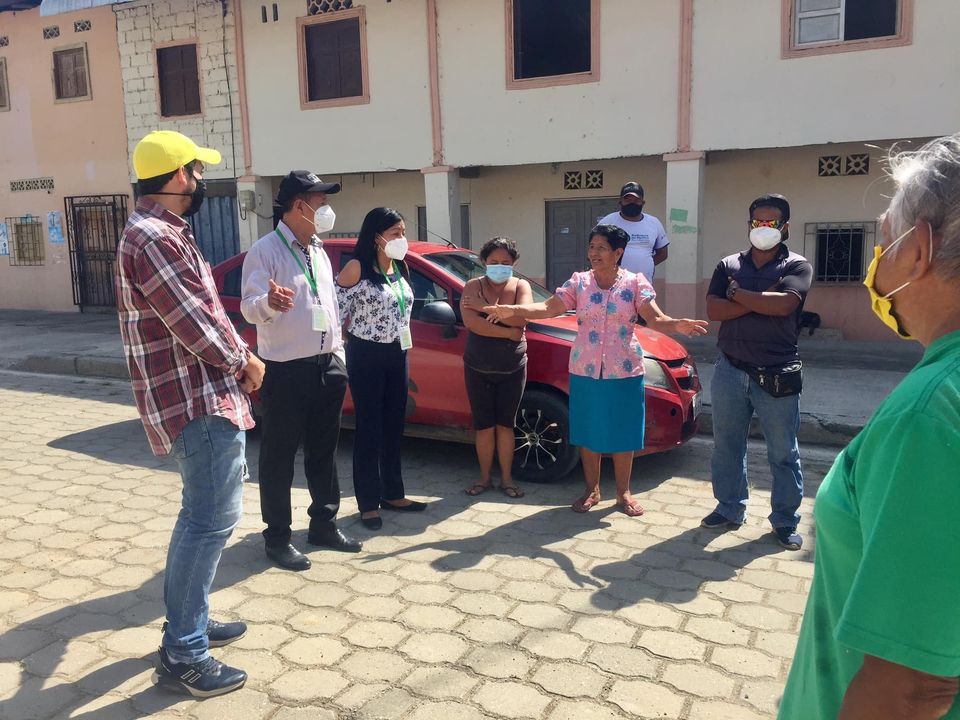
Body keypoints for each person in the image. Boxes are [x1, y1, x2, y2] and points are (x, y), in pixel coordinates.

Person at [779, 135, 960, 718]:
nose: (876, 263)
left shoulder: (929, 413)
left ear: (919, 250)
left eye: (884, 243)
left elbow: (914, 686)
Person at [116, 130, 265, 697]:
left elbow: (203, 311)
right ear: (179, 175)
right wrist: (244, 361)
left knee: (200, 518)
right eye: (198, 171)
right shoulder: (154, 237)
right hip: (195, 399)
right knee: (208, 522)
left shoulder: (163, 232)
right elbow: (193, 321)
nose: (201, 181)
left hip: (198, 395)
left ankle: (189, 624)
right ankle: (184, 654)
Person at [475, 225, 706, 514]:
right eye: (592, 246)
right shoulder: (579, 282)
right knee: (587, 431)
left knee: (623, 432)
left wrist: (676, 324)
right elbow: (548, 308)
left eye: (601, 248)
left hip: (625, 370)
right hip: (585, 368)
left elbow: (655, 319)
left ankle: (623, 493)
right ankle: (592, 490)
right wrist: (514, 311)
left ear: (618, 253)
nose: (594, 253)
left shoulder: (635, 283)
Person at [240, 171, 362, 572]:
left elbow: (328, 305)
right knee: (279, 456)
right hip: (286, 369)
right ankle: (277, 538)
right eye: (320, 202)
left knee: (323, 451)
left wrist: (338, 355)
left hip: (328, 366)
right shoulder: (265, 251)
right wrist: (269, 302)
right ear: (298, 206)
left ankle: (323, 524)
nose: (326, 209)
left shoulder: (319, 250)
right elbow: (249, 306)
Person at [700, 194, 812, 551]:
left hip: (777, 373)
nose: (763, 228)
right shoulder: (728, 264)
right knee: (727, 446)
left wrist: (738, 295)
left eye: (771, 222)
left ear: (785, 227)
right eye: (757, 221)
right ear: (749, 224)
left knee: (783, 452)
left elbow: (784, 305)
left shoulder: (797, 266)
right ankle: (729, 507)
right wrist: (759, 299)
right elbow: (714, 310)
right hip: (730, 369)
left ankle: (785, 520)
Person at [336, 208, 428, 530]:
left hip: (398, 352)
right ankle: (368, 502)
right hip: (367, 354)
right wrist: (345, 342)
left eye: (403, 232)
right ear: (376, 236)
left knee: (393, 426)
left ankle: (393, 493)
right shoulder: (357, 268)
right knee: (370, 428)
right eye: (395, 233)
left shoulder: (399, 267)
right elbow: (335, 312)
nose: (402, 238)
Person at [460, 237, 532, 499]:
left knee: (505, 425)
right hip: (477, 367)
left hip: (512, 367)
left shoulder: (521, 285)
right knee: (484, 426)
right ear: (484, 262)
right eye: (494, 262)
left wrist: (485, 308)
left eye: (505, 262)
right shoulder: (472, 286)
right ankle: (484, 478)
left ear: (514, 264)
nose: (499, 266)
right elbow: (472, 323)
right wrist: (508, 331)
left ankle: (507, 480)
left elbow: (523, 318)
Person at [597, 182, 669, 281]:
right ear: (620, 202)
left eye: (636, 200)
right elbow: (595, 251)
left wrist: (648, 265)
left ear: (643, 203)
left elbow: (663, 253)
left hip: (643, 283)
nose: (632, 203)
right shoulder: (607, 222)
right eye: (628, 200)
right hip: (613, 284)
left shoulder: (654, 223)